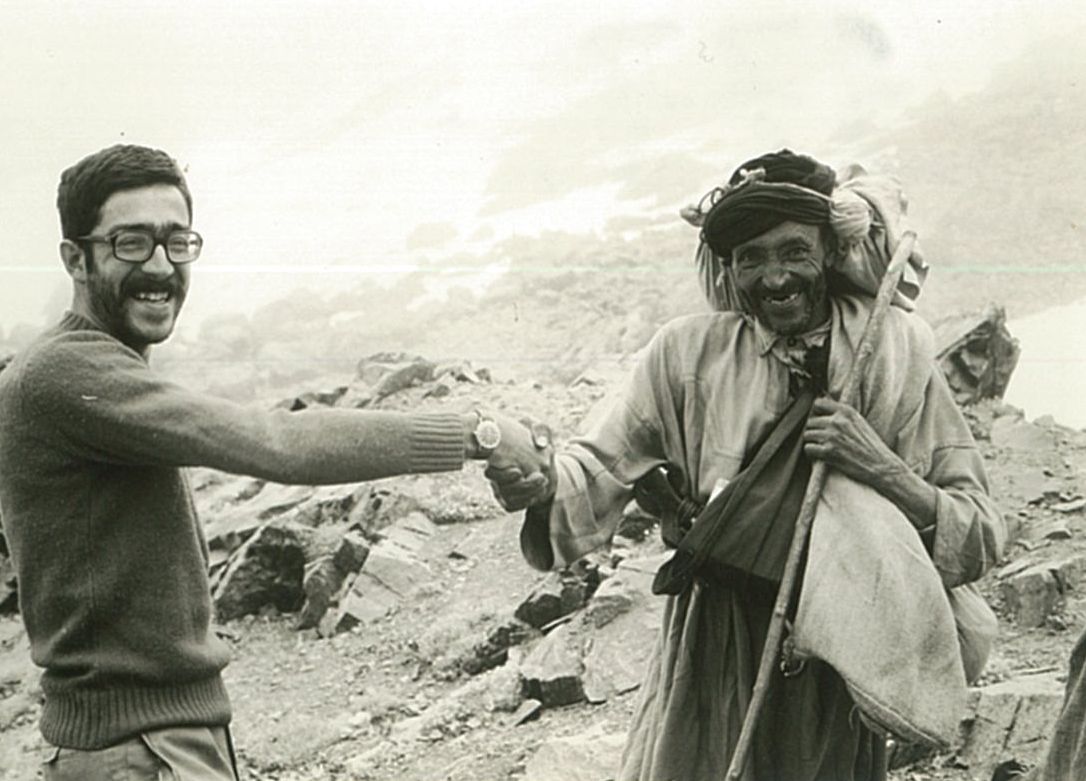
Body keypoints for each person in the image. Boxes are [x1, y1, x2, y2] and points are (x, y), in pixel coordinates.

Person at [0, 144, 548, 781]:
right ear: (76, 257)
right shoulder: (66, 371)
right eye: (130, 243)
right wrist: (475, 432)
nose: (160, 266)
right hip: (140, 752)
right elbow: (278, 444)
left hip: (151, 743)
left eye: (178, 243)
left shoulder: (79, 372)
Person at [487, 149, 1005, 781]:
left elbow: (978, 531)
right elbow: (596, 466)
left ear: (830, 252)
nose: (775, 277)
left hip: (844, 646)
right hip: (714, 641)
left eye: (793, 251)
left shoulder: (894, 356)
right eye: (751, 258)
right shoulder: (686, 355)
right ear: (729, 269)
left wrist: (880, 468)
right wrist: (539, 483)